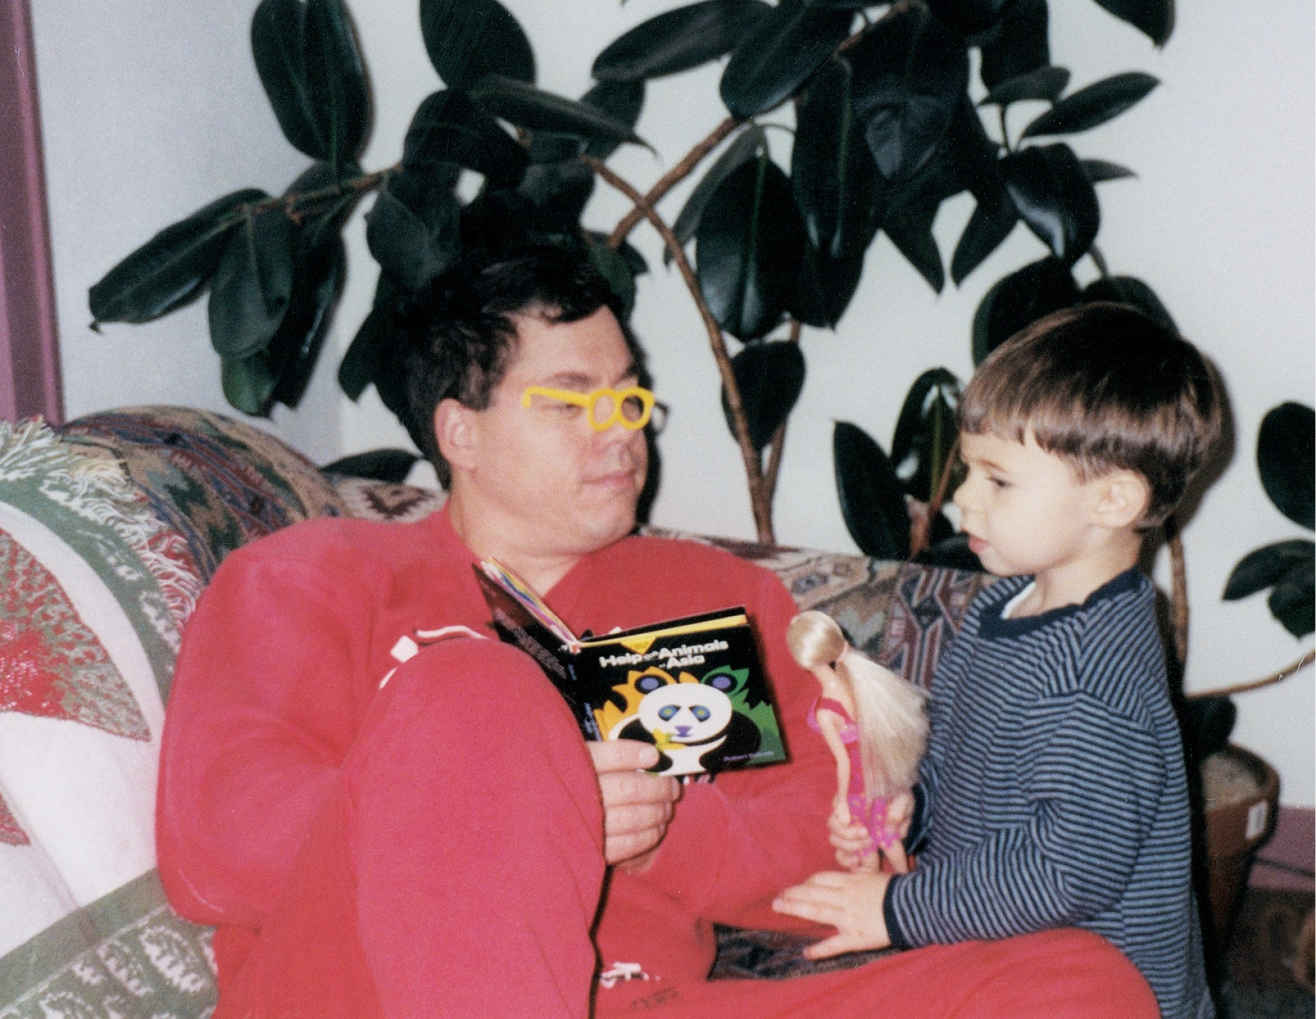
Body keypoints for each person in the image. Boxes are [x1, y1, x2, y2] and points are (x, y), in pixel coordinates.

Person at [156, 244, 1158, 1017]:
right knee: (481, 694)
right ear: (459, 429)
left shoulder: (703, 595)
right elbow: (219, 850)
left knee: (1077, 983)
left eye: (628, 393)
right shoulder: (312, 577)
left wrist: (653, 839)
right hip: (355, 995)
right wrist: (521, 795)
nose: (623, 427)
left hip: (648, 1001)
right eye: (572, 400)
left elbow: (817, 853)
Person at [774, 302, 1222, 1019]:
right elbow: (953, 748)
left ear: (1112, 499)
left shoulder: (1096, 677)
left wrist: (899, 908)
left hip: (1095, 991)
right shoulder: (998, 607)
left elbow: (1065, 867)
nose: (960, 499)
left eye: (998, 481)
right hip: (999, 958)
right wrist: (906, 807)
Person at [786, 609, 928, 874]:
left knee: (865, 847)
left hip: (858, 786)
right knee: (888, 836)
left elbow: (843, 762)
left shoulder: (827, 710)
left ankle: (877, 889)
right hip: (883, 771)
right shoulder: (861, 681)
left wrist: (841, 800)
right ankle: (906, 882)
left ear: (803, 661)